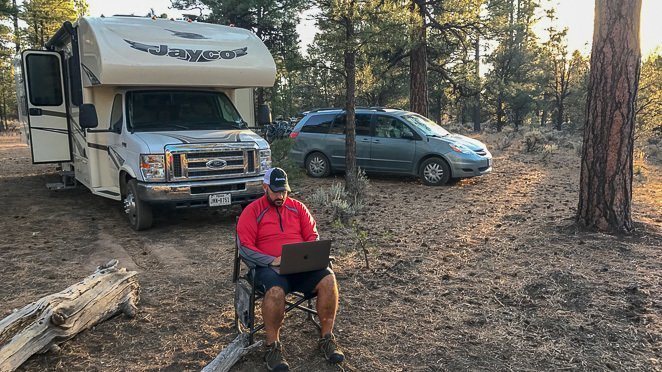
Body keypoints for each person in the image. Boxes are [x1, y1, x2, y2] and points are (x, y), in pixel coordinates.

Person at [237, 167, 344, 371]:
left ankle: (327, 338)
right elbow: (245, 248)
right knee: (275, 292)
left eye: (284, 191)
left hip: (300, 266)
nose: (281, 196)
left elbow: (313, 236)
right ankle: (273, 346)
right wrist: (271, 260)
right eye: (276, 191)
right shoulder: (252, 211)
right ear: (265, 187)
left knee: (328, 279)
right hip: (268, 268)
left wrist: (309, 254)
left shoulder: (298, 208)